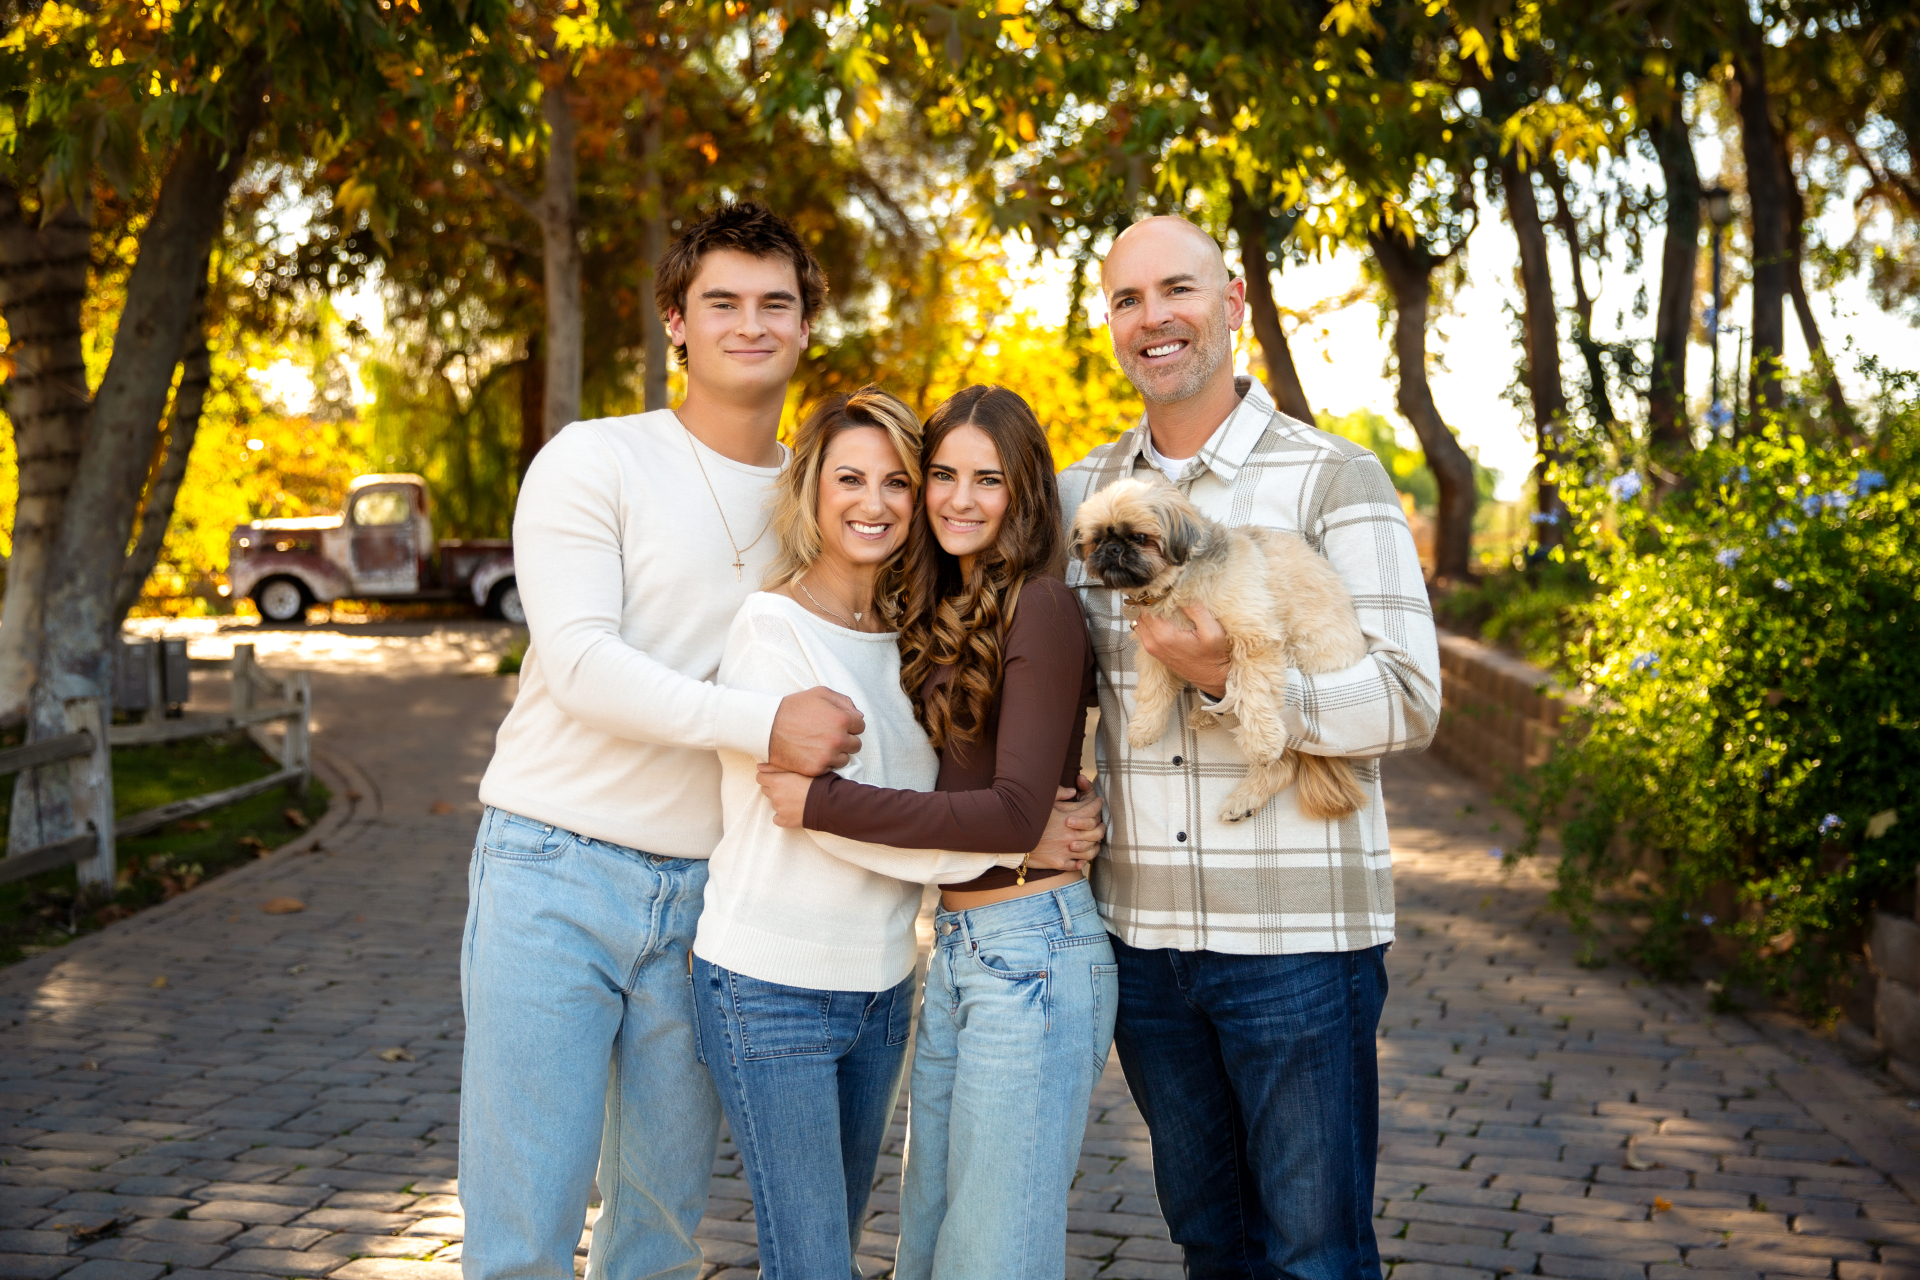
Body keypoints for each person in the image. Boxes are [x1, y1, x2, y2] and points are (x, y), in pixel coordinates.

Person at [1056, 216, 1442, 1278]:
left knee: (1315, 1253)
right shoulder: (1086, 498)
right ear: (1114, 324)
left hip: (1300, 940)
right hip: (1142, 940)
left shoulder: (1334, 476)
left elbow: (1410, 699)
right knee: (1212, 1244)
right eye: (1129, 299)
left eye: (1176, 289)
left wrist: (1231, 675)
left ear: (1231, 301)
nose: (1154, 317)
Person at [690, 387, 1092, 1280]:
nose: (876, 503)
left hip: (884, 981)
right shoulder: (771, 627)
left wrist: (1014, 833)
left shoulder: (917, 629)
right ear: (811, 491)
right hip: (771, 982)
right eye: (850, 480)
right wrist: (1013, 840)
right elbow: (838, 820)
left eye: (897, 482)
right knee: (815, 1261)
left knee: (869, 1241)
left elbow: (925, 795)